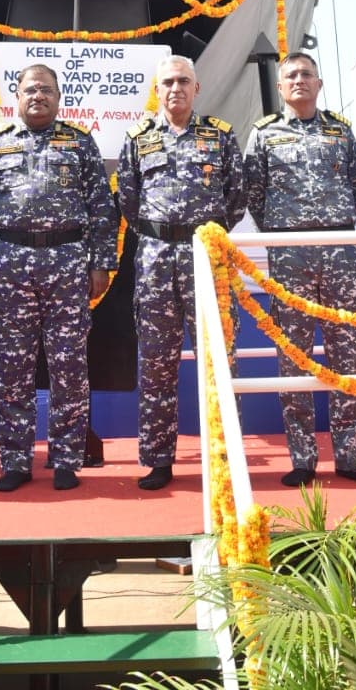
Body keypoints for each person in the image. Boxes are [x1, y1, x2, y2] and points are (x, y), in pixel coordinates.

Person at [0, 64, 117, 493]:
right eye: (31, 89)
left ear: (58, 97)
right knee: (12, 367)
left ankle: (67, 457)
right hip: (11, 261)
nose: (38, 96)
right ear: (17, 96)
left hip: (68, 259)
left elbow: (102, 211)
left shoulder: (80, 143)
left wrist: (101, 263)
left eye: (47, 90)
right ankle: (14, 460)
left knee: (69, 363)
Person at [244, 52, 356, 488]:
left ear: (319, 84)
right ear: (281, 87)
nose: (299, 81)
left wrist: (334, 224)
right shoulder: (264, 135)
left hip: (340, 249)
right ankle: (303, 458)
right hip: (290, 254)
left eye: (306, 74)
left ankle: (348, 456)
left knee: (347, 355)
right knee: (294, 357)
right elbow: (255, 193)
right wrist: (286, 232)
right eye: (291, 76)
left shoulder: (340, 130)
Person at [116, 54, 246, 491]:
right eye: (168, 82)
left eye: (183, 81)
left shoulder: (221, 138)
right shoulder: (138, 140)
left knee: (218, 358)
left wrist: (199, 232)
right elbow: (128, 202)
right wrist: (161, 232)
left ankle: (224, 452)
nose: (175, 89)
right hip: (154, 258)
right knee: (156, 363)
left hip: (205, 257)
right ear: (158, 89)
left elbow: (237, 198)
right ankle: (157, 459)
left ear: (197, 88)